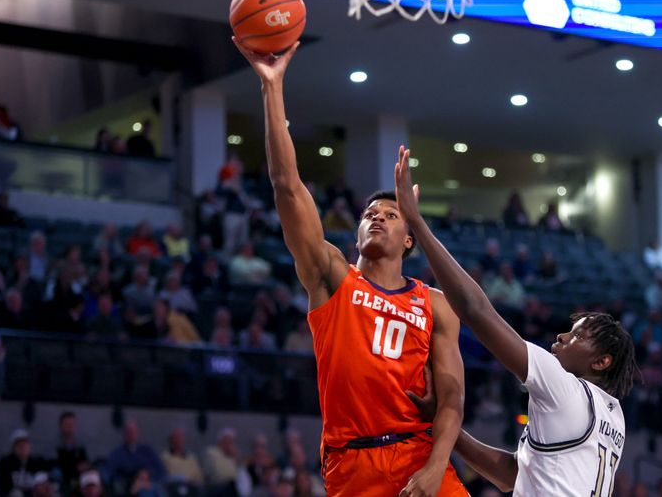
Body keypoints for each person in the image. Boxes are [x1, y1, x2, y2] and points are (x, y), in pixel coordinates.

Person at [234, 39, 466, 497]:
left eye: (391, 214)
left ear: (409, 238)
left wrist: (437, 466)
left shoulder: (436, 305)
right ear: (357, 233)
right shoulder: (333, 277)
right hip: (351, 462)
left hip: (420, 455)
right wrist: (272, 87)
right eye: (369, 214)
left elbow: (453, 397)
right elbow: (287, 186)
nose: (377, 216)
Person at [394, 147, 637, 496]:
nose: (561, 336)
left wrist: (417, 223)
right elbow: (514, 475)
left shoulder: (564, 387)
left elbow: (476, 311)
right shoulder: (614, 419)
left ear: (601, 361)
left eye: (577, 335)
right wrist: (444, 427)